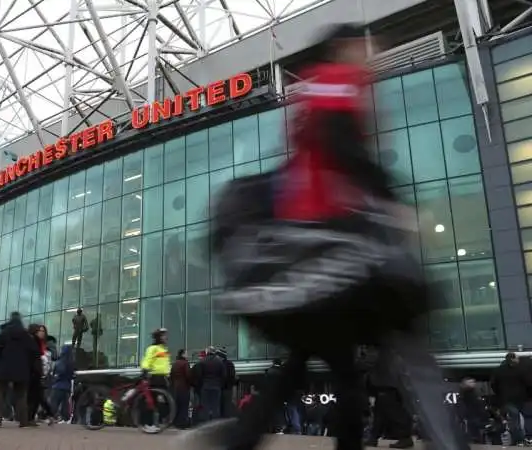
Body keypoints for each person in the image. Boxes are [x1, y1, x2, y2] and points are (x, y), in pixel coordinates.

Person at [191, 23, 469, 450]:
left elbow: (299, 162)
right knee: (407, 336)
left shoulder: (306, 91)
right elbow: (339, 143)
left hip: (303, 252)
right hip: (337, 244)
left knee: (312, 360)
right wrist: (390, 200)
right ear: (344, 47)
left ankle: (240, 440)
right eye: (366, 45)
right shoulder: (339, 80)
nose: (370, 54)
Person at [0, 312, 38, 427]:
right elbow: (34, 352)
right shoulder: (26, 336)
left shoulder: (3, 334)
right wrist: (28, 365)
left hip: (3, 368)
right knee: (21, 395)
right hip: (21, 369)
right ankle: (23, 421)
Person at [491, 352, 529, 445]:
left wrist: (499, 393)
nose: (519, 360)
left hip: (506, 399)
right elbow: (528, 383)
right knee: (522, 418)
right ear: (512, 359)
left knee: (514, 419)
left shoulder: (498, 370)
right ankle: (522, 438)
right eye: (517, 358)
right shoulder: (521, 370)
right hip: (520, 399)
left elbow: (493, 384)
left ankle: (517, 439)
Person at [140, 328, 171, 432]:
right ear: (158, 337)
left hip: (163, 378)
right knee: (152, 402)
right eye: (163, 335)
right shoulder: (152, 348)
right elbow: (147, 360)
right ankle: (148, 423)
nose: (166, 337)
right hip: (155, 377)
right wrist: (145, 371)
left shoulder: (164, 349)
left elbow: (165, 364)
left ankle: (157, 423)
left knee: (162, 402)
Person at [27, 324, 56, 425]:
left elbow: (54, 356)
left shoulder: (48, 344)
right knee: (37, 396)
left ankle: (46, 415)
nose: (41, 333)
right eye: (40, 331)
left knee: (39, 397)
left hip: (44, 374)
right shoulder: (34, 342)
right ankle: (46, 415)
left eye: (43, 331)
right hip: (36, 372)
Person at [193, 347, 226, 423]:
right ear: (214, 352)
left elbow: (199, 375)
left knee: (205, 406)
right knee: (216, 406)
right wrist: (220, 384)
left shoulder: (202, 361)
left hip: (205, 387)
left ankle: (206, 423)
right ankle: (216, 423)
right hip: (216, 387)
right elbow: (224, 375)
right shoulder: (219, 362)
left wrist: (201, 385)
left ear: (207, 352)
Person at [50, 344, 74, 423]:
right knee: (65, 404)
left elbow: (57, 374)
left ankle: (52, 417)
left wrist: (54, 379)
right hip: (67, 386)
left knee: (54, 403)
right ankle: (65, 418)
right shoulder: (71, 362)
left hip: (58, 386)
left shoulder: (60, 362)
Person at [170, 349, 191, 429]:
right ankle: (182, 424)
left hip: (176, 388)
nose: (187, 355)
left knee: (177, 405)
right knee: (184, 406)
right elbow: (188, 375)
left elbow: (171, 376)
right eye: (186, 353)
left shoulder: (175, 363)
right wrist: (191, 383)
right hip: (184, 387)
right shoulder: (185, 363)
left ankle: (175, 423)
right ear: (182, 354)